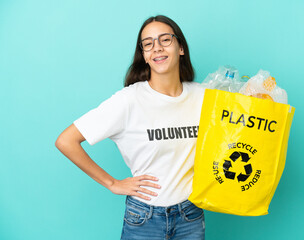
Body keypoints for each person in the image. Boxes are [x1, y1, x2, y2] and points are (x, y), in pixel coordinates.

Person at [55, 15, 205, 240]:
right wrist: (112, 183)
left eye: (165, 40)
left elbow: (243, 121)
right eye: (148, 44)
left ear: (180, 47)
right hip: (144, 218)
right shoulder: (129, 100)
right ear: (144, 55)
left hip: (190, 216)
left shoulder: (203, 95)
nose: (157, 48)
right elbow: (65, 141)